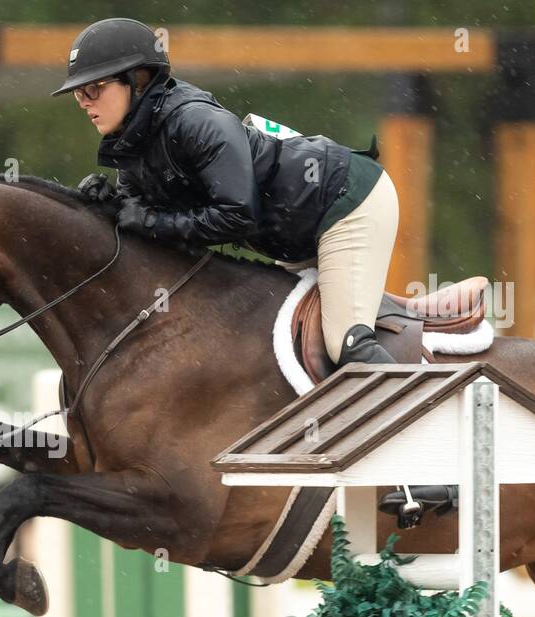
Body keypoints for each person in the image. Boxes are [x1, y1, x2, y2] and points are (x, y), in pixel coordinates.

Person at [54, 17, 399, 367]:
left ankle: (428, 411)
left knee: (347, 345)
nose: (83, 101)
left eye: (93, 88)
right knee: (277, 345)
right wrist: (104, 208)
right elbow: (141, 221)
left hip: (348, 203)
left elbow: (236, 216)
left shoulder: (196, 122)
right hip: (297, 232)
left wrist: (148, 219)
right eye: (79, 93)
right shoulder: (133, 141)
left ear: (137, 79)